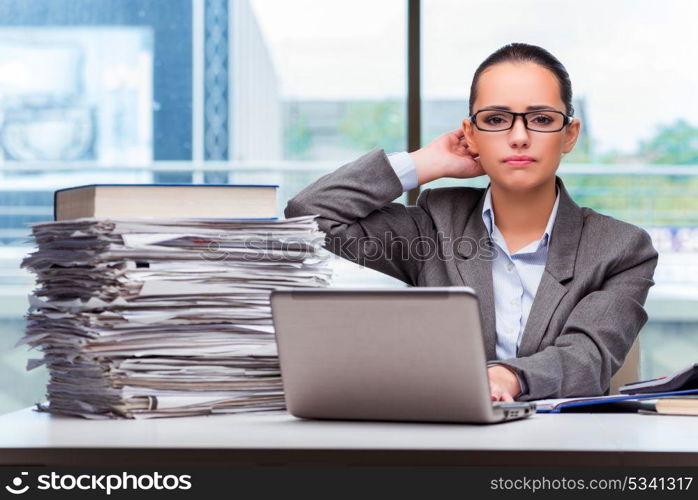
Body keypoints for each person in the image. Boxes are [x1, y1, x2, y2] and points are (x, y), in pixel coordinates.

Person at [284, 42, 658, 403]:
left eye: (541, 119)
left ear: (569, 134)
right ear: (471, 133)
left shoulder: (622, 249)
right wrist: (426, 163)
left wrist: (507, 377)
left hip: (564, 448)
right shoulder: (434, 228)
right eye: (496, 120)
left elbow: (588, 358)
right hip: (448, 443)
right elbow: (311, 214)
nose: (519, 137)